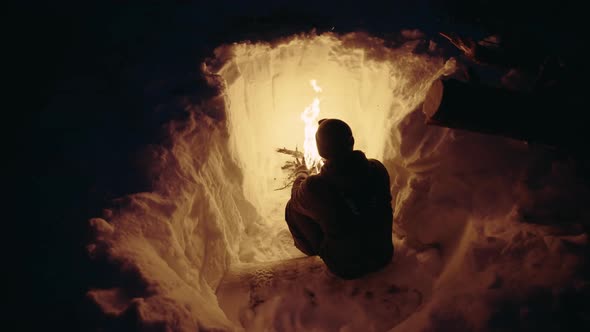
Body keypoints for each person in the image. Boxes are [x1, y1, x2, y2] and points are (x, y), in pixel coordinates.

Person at [285, 118, 394, 279]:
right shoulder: (377, 168)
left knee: (291, 207)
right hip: (383, 254)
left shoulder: (315, 187)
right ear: (352, 141)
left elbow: (296, 198)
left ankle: (312, 249)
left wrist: (301, 173)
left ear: (321, 152)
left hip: (346, 267)